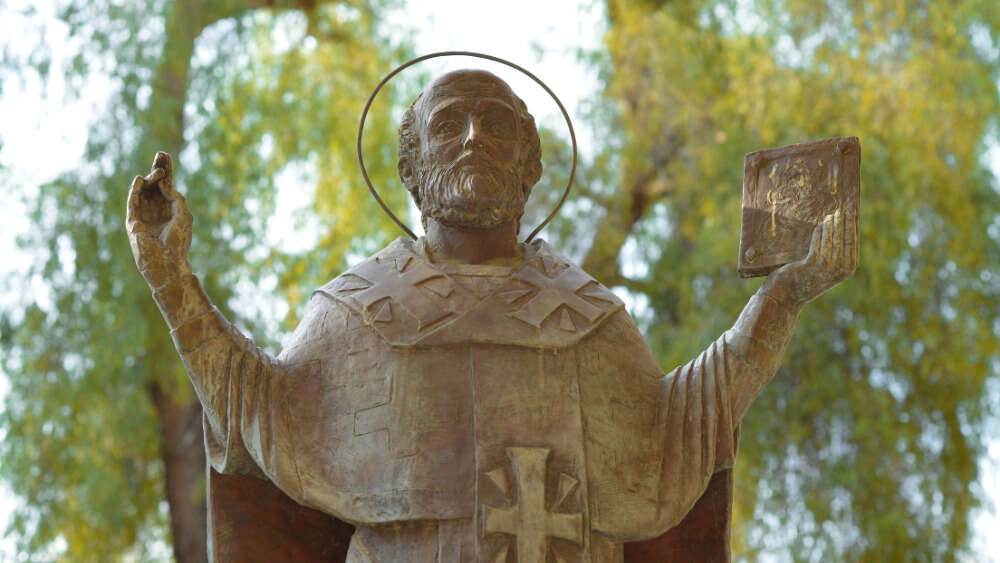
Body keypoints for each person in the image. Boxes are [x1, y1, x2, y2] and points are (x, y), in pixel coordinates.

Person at [126, 69, 857, 562]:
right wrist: (171, 280)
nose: (474, 138)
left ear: (532, 163)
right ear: (410, 167)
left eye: (496, 125)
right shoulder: (353, 314)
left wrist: (783, 296)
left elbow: (680, 434)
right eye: (449, 125)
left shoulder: (591, 318)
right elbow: (256, 407)